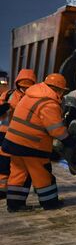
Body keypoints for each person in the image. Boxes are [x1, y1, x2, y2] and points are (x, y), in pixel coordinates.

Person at [2, 73, 74, 211]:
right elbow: (56, 129)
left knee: (18, 174)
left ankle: (14, 205)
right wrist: (68, 139)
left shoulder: (31, 95)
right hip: (31, 145)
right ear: (58, 89)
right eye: (62, 91)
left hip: (12, 142)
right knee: (42, 174)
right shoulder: (49, 103)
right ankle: (50, 203)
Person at [0, 69, 37, 200]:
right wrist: (3, 108)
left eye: (28, 86)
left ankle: (12, 192)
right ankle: (2, 190)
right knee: (4, 164)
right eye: (22, 86)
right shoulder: (8, 95)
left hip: (23, 137)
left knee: (19, 166)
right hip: (4, 134)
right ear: (17, 84)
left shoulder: (35, 98)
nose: (25, 89)